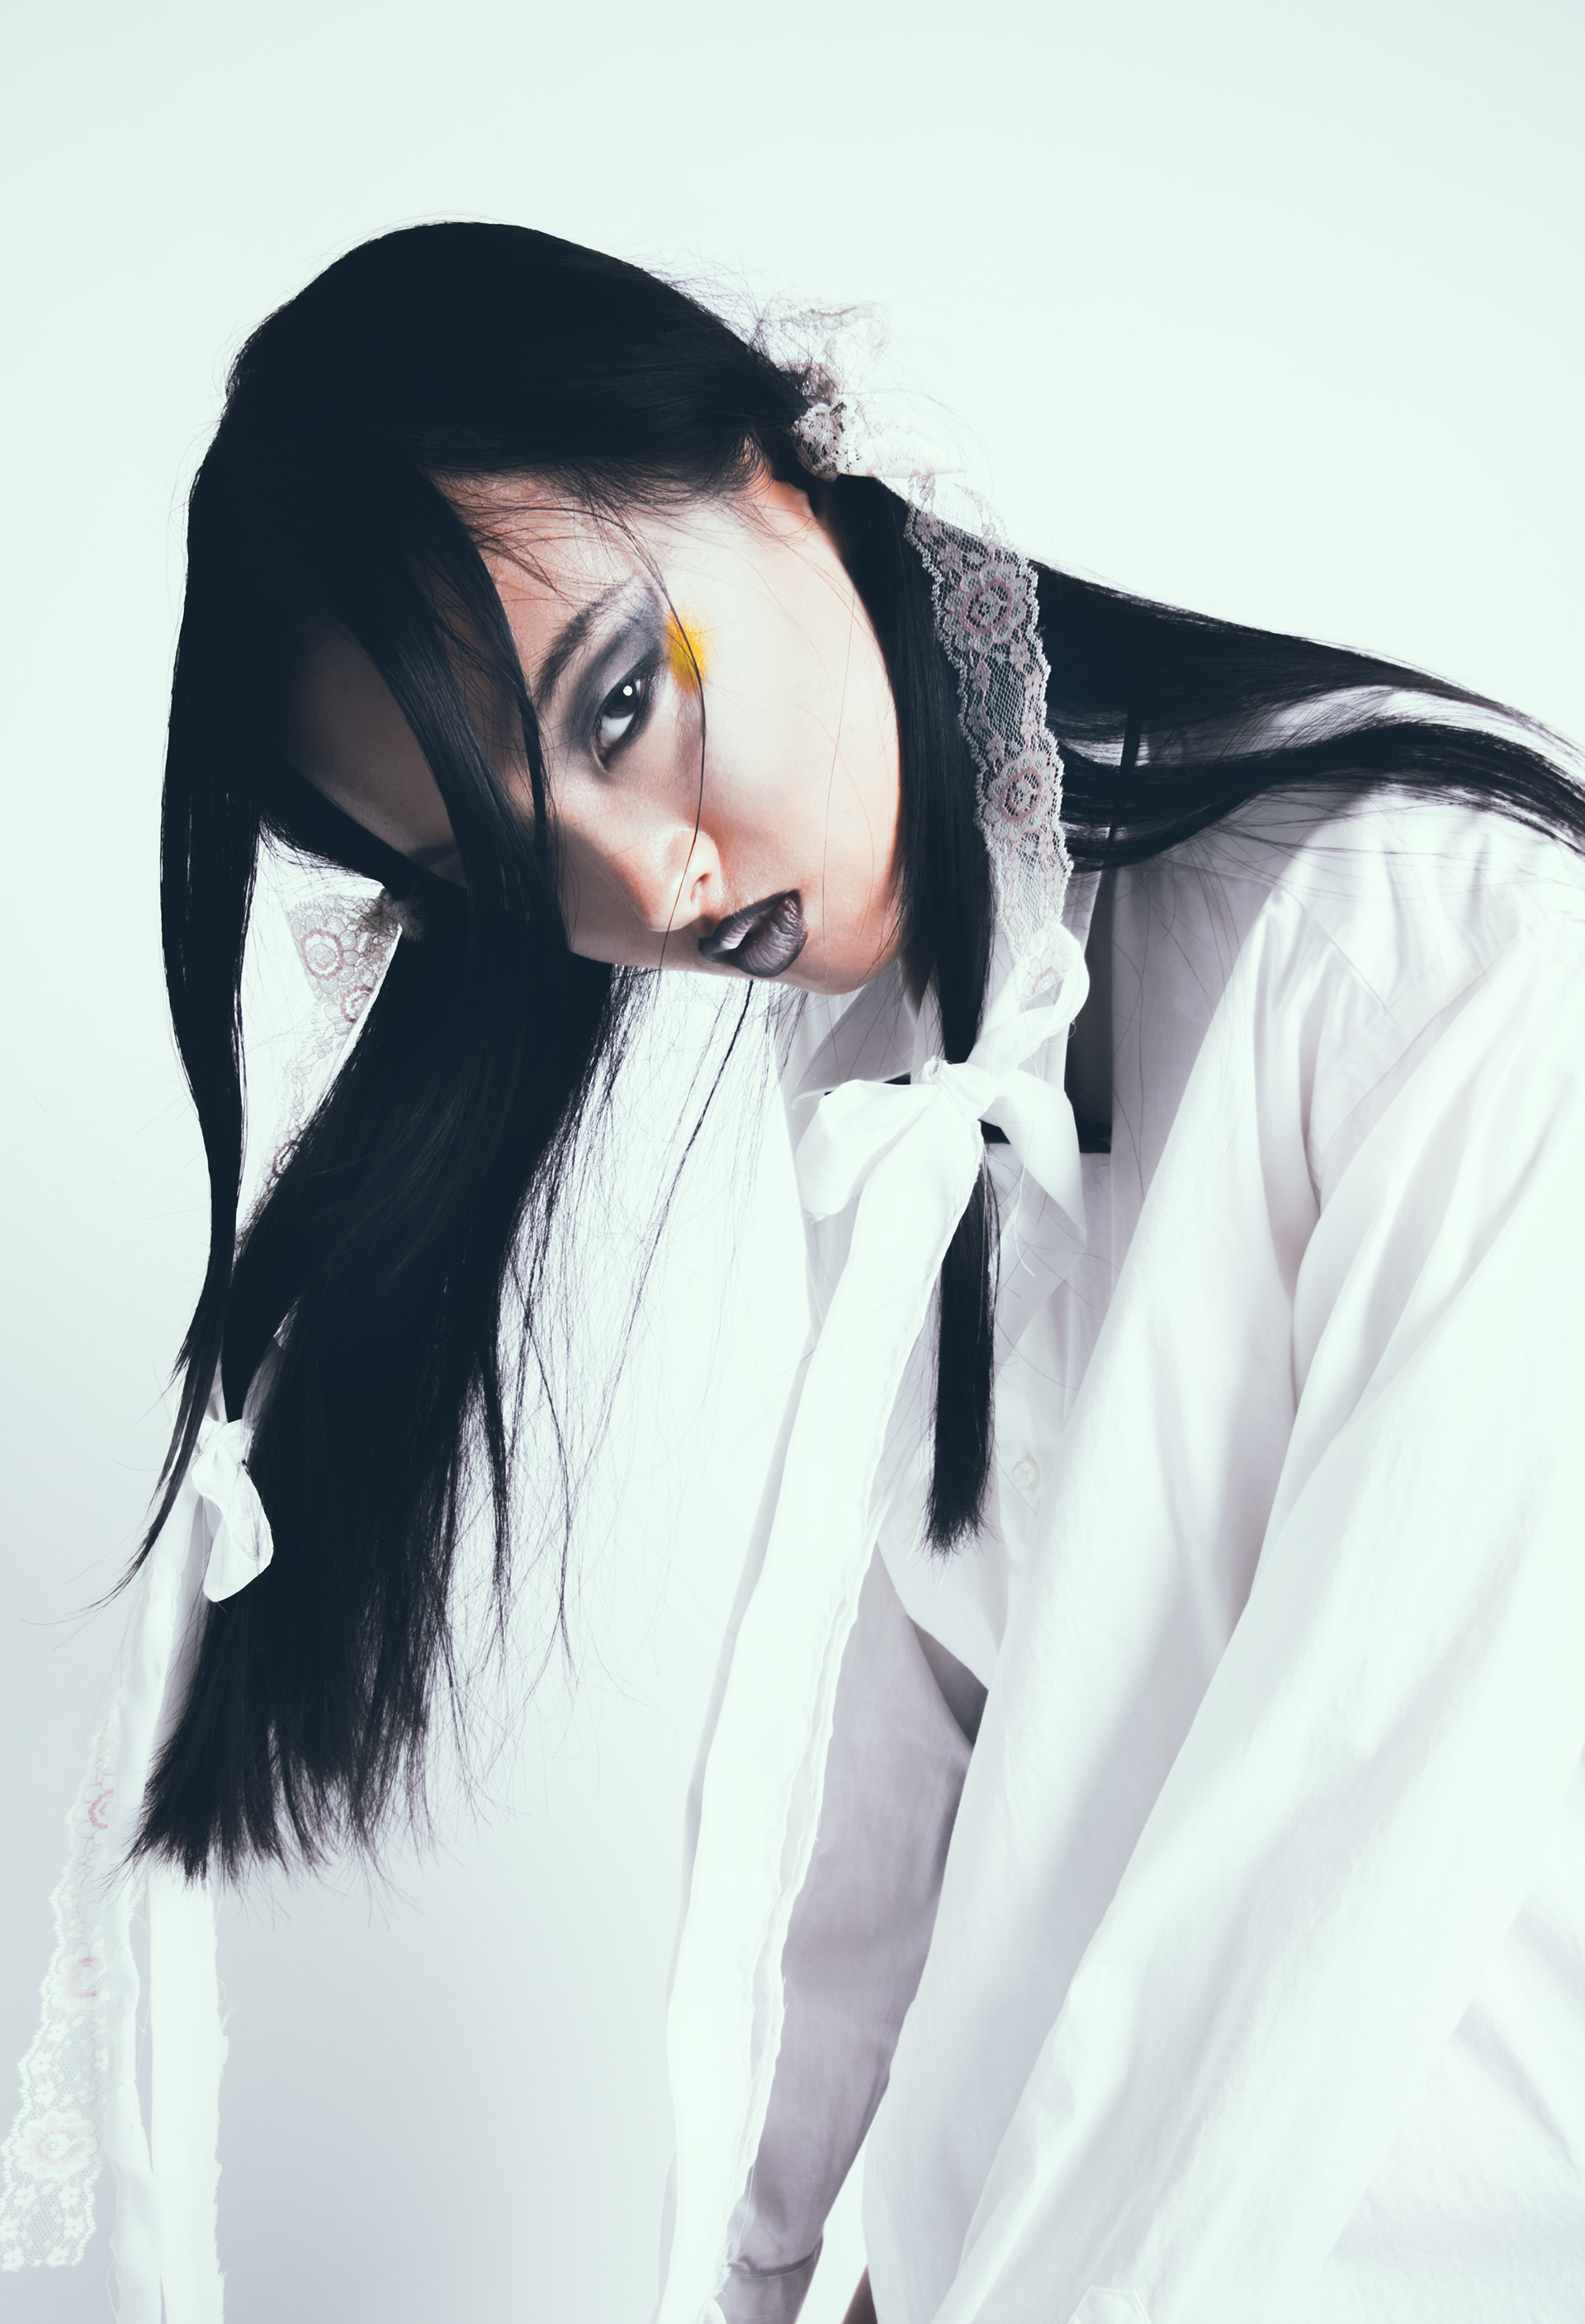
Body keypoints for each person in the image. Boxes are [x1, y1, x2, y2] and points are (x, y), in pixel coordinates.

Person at [6, 221, 1585, 2324]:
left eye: (625, 702)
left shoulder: (1453, 953)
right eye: (512, 870)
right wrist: (780, 2260)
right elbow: (918, 1701)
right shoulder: (881, 1015)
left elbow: (1351, 1843)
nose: (653, 884)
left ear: (783, 444)